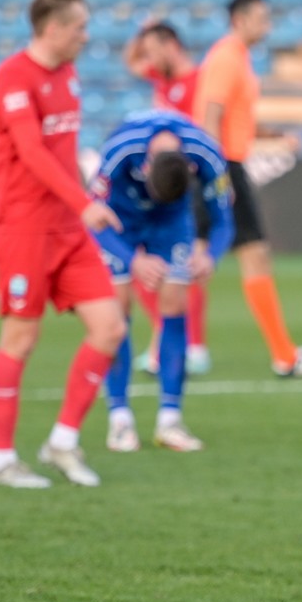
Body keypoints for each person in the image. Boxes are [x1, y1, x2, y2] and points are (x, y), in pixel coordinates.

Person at [0, 0, 126, 488]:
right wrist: (84, 201)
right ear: (52, 29)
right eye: (80, 27)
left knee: (109, 328)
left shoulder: (68, 75)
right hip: (25, 226)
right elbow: (31, 152)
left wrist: (83, 201)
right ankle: (1, 460)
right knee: (21, 336)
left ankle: (62, 442)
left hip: (67, 226)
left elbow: (62, 153)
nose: (86, 36)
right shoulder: (12, 77)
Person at [190, 0, 302, 379]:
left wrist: (274, 134)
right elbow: (211, 116)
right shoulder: (226, 57)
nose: (267, 26)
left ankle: (167, 349)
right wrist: (214, 170)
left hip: (222, 163)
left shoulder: (237, 59)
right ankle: (283, 355)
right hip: (221, 165)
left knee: (202, 257)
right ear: (240, 19)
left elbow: (237, 119)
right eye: (262, 18)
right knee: (244, 255)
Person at [89, 107, 235, 453]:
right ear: (144, 167)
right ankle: (119, 419)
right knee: (117, 309)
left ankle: (170, 419)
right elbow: (92, 216)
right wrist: (133, 260)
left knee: (175, 301)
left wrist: (209, 256)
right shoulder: (121, 148)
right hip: (118, 221)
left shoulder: (208, 154)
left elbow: (225, 221)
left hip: (171, 224)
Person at [121, 19, 211, 376]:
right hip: (161, 181)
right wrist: (143, 31)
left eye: (154, 49)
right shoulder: (164, 79)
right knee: (151, 263)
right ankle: (170, 338)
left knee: (185, 263)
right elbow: (130, 62)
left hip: (186, 182)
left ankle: (192, 344)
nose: (149, 59)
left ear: (172, 44)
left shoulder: (198, 82)